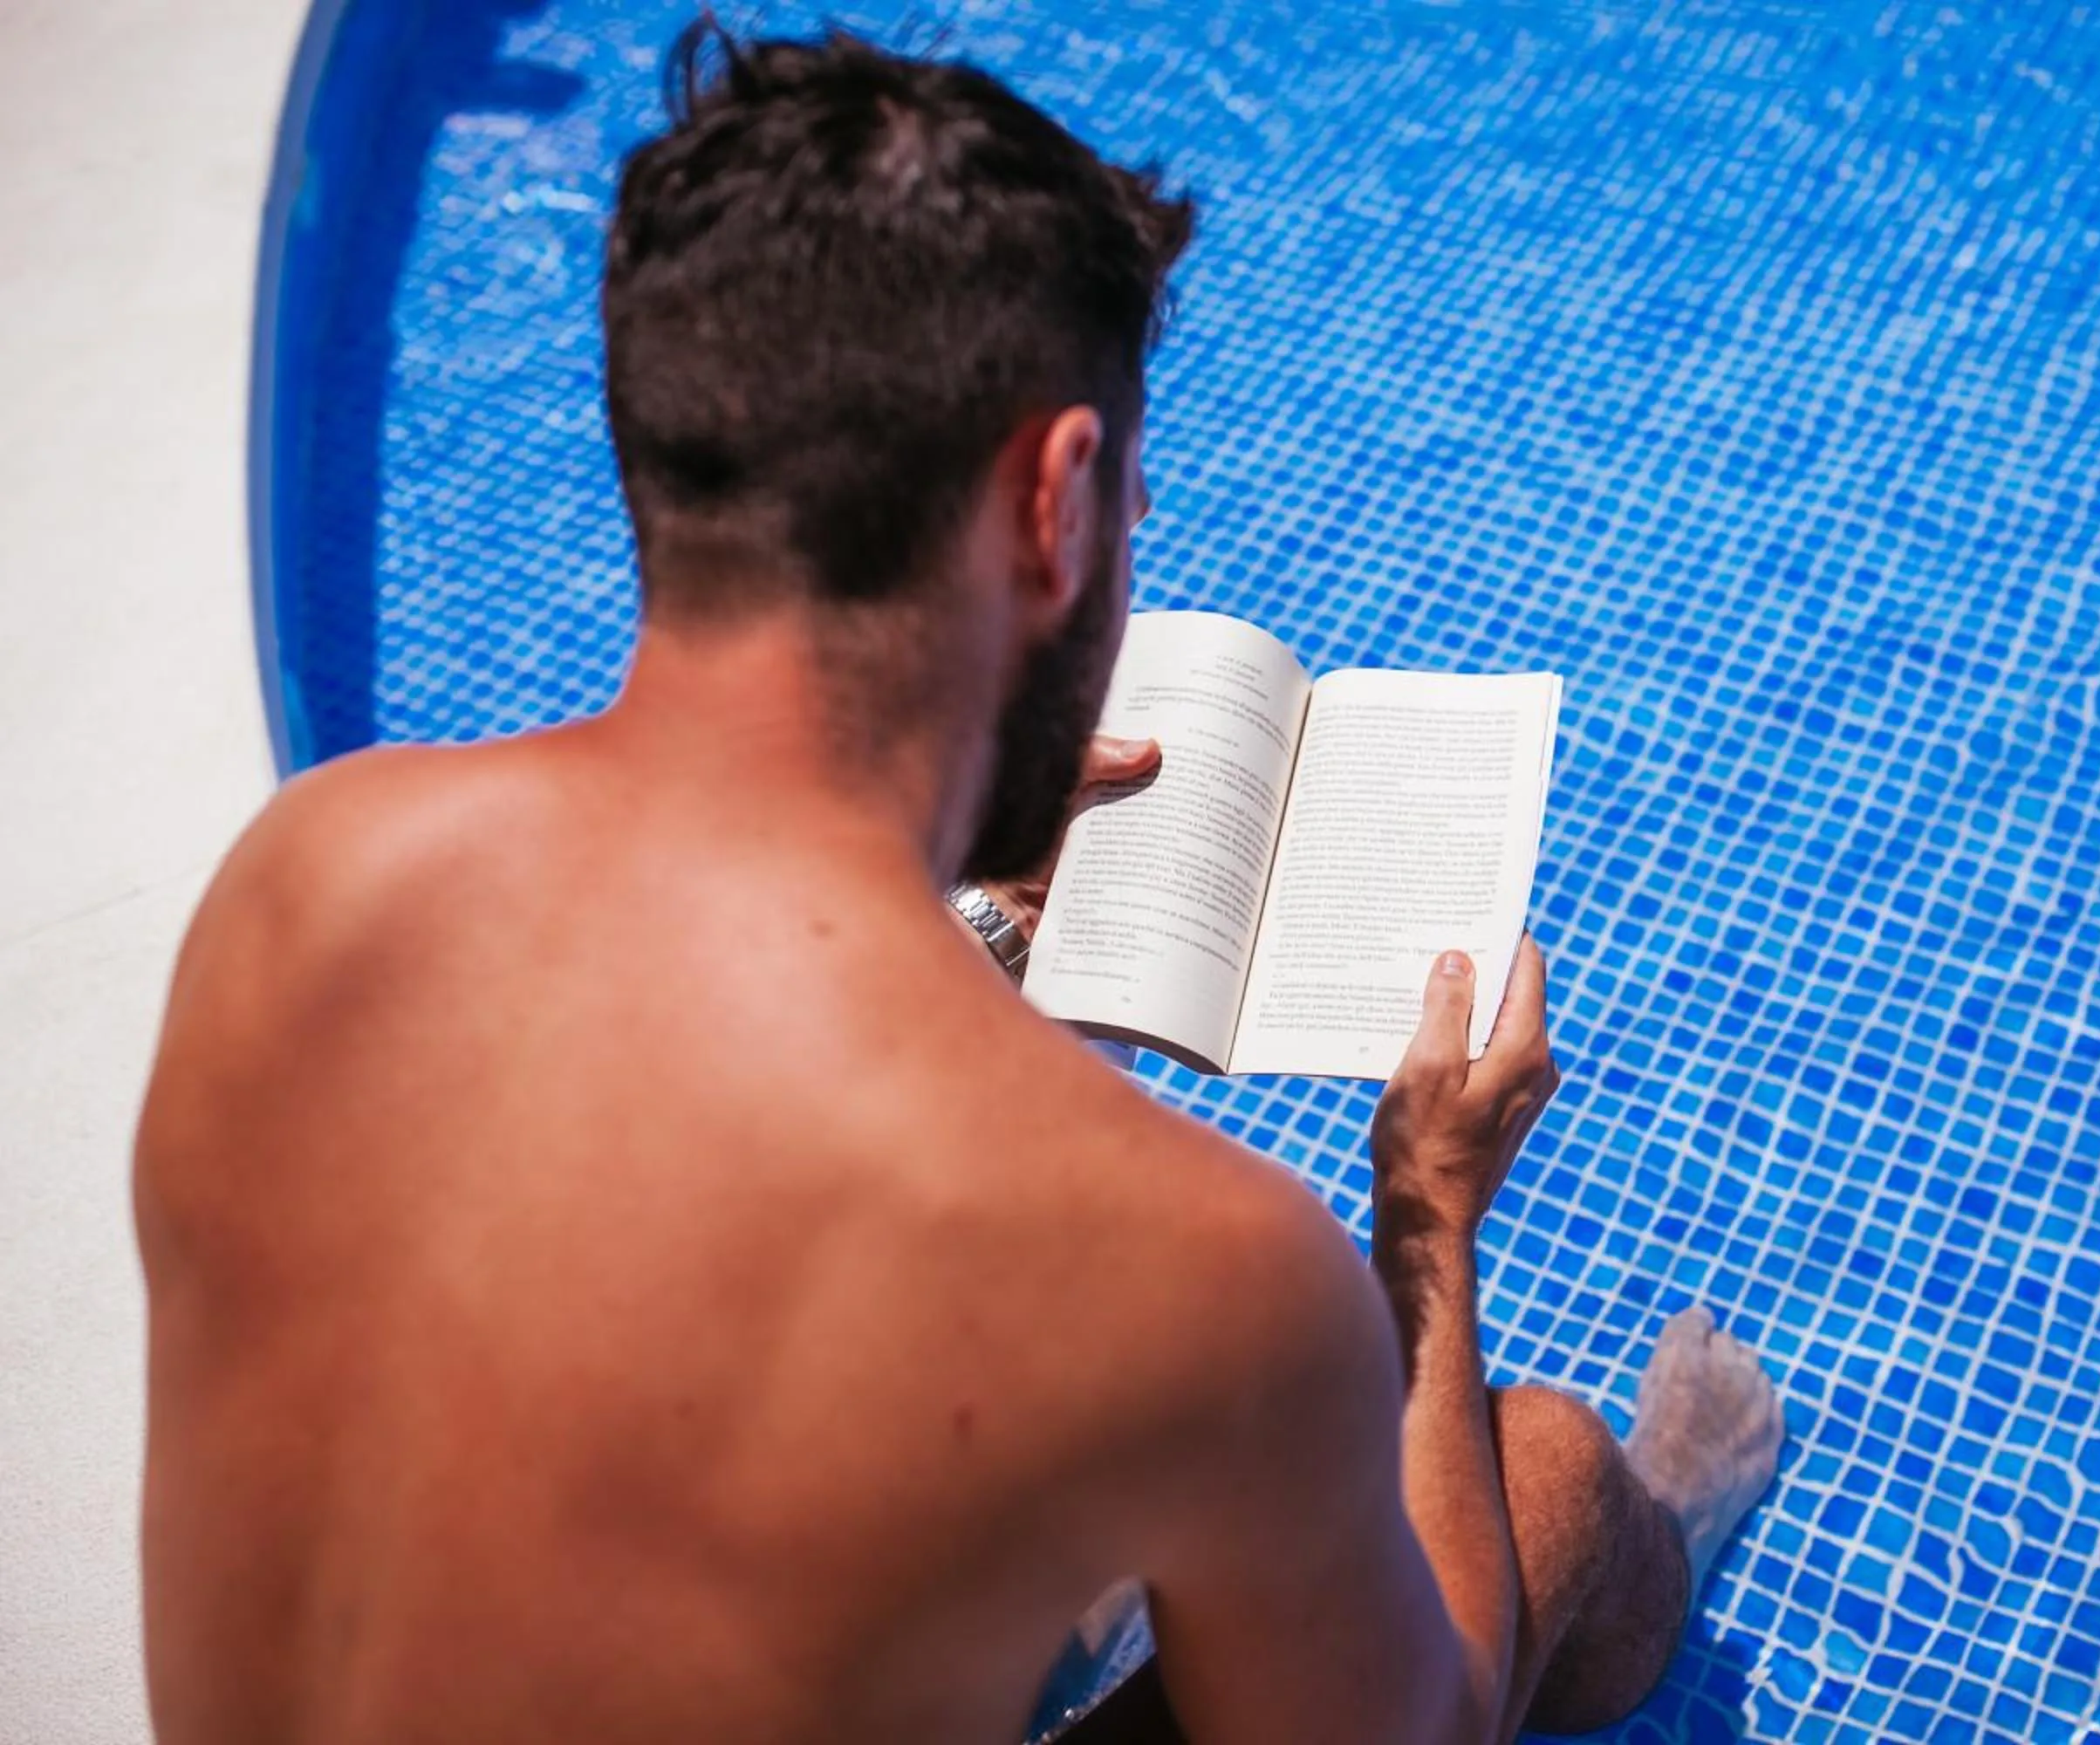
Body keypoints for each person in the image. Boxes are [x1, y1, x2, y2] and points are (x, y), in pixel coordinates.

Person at [133, 23, 1783, 1745]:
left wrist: (977, 897)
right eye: (1131, 497)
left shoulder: (305, 887)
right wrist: (1426, 1217)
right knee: (1550, 1477)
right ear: (1057, 502)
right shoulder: (1193, 1272)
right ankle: (1656, 1534)